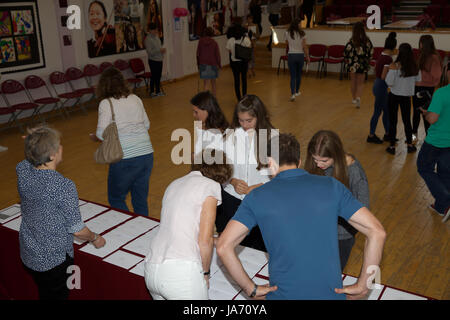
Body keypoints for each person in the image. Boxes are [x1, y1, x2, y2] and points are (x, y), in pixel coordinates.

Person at [216, 133, 386, 300]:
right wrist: (364, 285)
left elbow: (224, 246)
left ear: (270, 162)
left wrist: (250, 289)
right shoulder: (333, 186)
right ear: (298, 162)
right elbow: (377, 232)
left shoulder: (256, 197)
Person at [17, 126, 106, 300]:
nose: (61, 148)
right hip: (54, 261)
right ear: (52, 155)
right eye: (58, 145)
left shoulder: (23, 172)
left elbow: (26, 161)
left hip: (29, 253)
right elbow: (78, 230)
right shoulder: (63, 186)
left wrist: (34, 141)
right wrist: (95, 238)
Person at [144, 150, 232, 300]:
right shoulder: (210, 186)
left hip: (151, 268)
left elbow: (181, 227)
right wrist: (205, 273)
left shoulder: (174, 183)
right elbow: (205, 241)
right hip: (180, 273)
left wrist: (216, 240)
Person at [91, 67, 154, 216]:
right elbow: (147, 125)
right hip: (146, 154)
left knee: (116, 198)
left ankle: (127, 229)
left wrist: (95, 137)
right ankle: (143, 230)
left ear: (103, 85)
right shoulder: (135, 98)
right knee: (140, 199)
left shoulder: (106, 103)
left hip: (124, 158)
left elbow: (101, 134)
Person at [304, 130, 370, 270]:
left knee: (332, 274)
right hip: (317, 230)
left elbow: (364, 210)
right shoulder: (318, 165)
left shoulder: (354, 172)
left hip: (341, 236)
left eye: (324, 161)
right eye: (315, 159)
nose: (318, 164)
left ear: (336, 155)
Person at [217, 95, 275, 252]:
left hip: (261, 200)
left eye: (249, 120)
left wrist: (260, 186)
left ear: (259, 116)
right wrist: (232, 181)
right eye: (240, 120)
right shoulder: (230, 136)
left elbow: (278, 176)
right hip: (232, 198)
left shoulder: (272, 137)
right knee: (234, 244)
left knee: (259, 246)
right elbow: (220, 169)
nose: (244, 125)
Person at [417, 61, 450, 222]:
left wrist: (426, 113)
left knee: (424, 167)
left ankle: (444, 198)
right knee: (445, 172)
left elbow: (433, 118)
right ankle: (441, 206)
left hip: (436, 141)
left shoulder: (442, 93)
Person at [385, 43, 421, 155]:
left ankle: (391, 146)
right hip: (406, 97)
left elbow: (389, 82)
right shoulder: (414, 66)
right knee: (406, 121)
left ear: (399, 52)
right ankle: (410, 145)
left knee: (393, 120)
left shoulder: (395, 66)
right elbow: (418, 80)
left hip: (394, 96)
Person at [367, 32, 397, 144]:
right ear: (394, 47)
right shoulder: (388, 59)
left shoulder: (382, 54)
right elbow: (384, 76)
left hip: (378, 84)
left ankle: (388, 134)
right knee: (377, 111)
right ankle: (371, 135)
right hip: (381, 86)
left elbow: (376, 70)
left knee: (386, 111)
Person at [412, 35, 442, 143]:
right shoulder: (421, 55)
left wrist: (424, 78)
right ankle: (413, 135)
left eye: (421, 43)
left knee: (426, 113)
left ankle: (429, 137)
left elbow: (437, 76)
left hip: (427, 89)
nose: (419, 45)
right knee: (416, 113)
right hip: (417, 87)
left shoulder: (434, 57)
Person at [344, 22, 374, 108]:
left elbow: (346, 52)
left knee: (353, 81)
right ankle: (358, 98)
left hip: (352, 64)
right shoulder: (367, 40)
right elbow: (371, 52)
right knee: (360, 83)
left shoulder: (351, 40)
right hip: (363, 64)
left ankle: (353, 98)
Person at [191, 91, 229, 155]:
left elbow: (214, 161)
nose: (194, 115)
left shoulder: (217, 133)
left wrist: (195, 158)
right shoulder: (204, 124)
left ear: (207, 110)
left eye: (196, 112)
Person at [285, 18, 310, 102]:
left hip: (291, 55)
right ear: (298, 24)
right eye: (300, 23)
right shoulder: (302, 33)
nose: (301, 25)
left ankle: (292, 94)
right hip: (300, 56)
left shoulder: (287, 33)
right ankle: (297, 91)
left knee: (292, 76)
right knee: (298, 75)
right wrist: (307, 57)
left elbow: (287, 44)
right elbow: (305, 47)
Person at [226, 24, 252, 101]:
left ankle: (239, 99)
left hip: (234, 63)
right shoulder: (246, 39)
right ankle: (244, 97)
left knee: (236, 81)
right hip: (243, 62)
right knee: (244, 80)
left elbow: (229, 51)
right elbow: (249, 48)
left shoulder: (230, 40)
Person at [197, 27, 221, 96]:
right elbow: (217, 55)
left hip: (203, 64)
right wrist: (219, 64)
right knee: (213, 84)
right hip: (213, 64)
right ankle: (214, 99)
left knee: (206, 84)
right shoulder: (214, 43)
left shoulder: (200, 41)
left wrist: (198, 64)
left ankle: (205, 101)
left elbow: (198, 54)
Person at [144, 22, 165, 97]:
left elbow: (159, 47)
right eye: (154, 30)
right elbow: (150, 52)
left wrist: (162, 52)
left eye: (156, 30)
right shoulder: (148, 39)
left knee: (158, 76)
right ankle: (152, 92)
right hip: (153, 60)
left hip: (159, 60)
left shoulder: (157, 37)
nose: (156, 31)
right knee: (154, 76)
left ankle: (158, 91)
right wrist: (159, 51)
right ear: (150, 30)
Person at [245, 14, 260, 78]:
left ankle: (252, 69)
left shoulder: (255, 26)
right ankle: (248, 71)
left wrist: (254, 34)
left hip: (253, 43)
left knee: (253, 57)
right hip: (246, 43)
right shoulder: (245, 26)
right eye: (248, 19)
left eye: (250, 19)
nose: (249, 20)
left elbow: (258, 36)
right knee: (247, 57)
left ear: (252, 19)